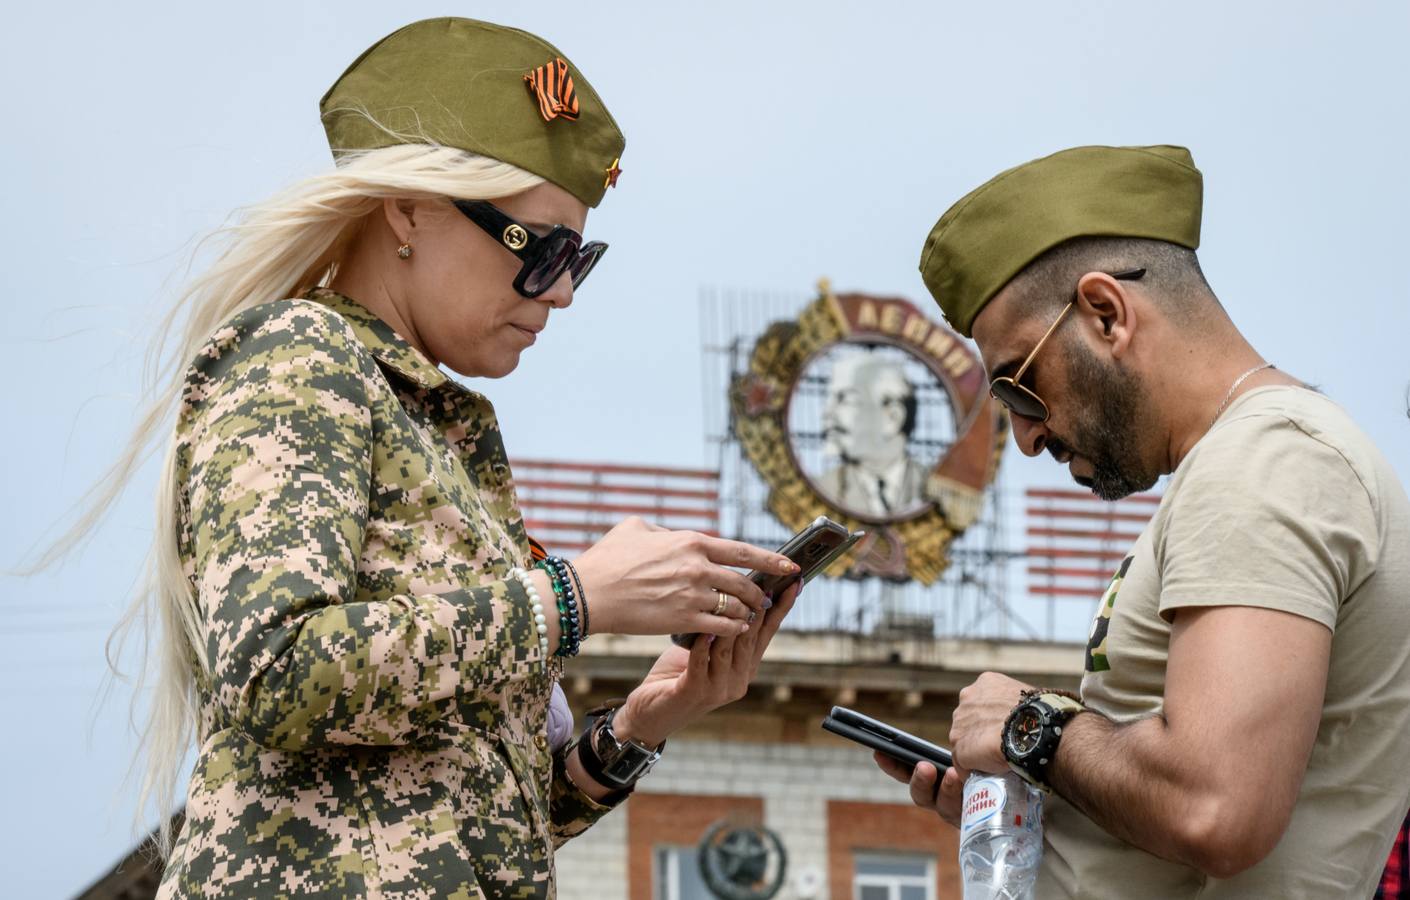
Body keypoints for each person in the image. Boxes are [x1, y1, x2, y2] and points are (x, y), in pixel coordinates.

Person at [69, 17, 803, 898]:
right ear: (410, 209)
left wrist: (645, 722)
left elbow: (458, 826)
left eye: (583, 258)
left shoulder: (437, 431)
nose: (563, 292)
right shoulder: (301, 357)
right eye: (542, 250)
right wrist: (576, 597)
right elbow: (278, 668)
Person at [874, 144, 1410, 897]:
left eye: (1019, 386)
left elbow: (1212, 808)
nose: (1025, 436)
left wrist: (1030, 726)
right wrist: (1039, 795)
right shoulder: (1260, 463)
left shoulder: (1260, 464)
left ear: (1105, 313)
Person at [817, 351, 928, 517]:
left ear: (892, 417)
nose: (827, 413)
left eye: (844, 399)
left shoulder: (937, 490)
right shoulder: (823, 488)